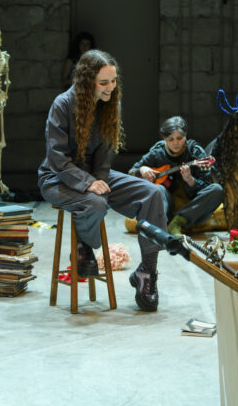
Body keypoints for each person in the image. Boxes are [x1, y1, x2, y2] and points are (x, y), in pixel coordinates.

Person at [38, 49, 168, 312]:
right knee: (95, 203)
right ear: (87, 82)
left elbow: (105, 156)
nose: (111, 87)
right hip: (58, 177)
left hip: (97, 175)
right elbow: (57, 157)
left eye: (114, 80)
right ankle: (84, 246)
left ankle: (147, 272)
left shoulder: (110, 104)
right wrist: (88, 183)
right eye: (104, 82)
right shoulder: (62, 105)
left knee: (153, 193)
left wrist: (97, 181)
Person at [130, 116, 224, 237]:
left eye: (179, 138)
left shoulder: (195, 152)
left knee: (217, 189)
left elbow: (206, 187)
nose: (176, 143)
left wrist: (190, 180)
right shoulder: (157, 152)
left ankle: (177, 223)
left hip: (192, 209)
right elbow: (131, 172)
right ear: (164, 138)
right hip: (166, 207)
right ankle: (160, 224)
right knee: (158, 189)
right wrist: (142, 169)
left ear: (185, 135)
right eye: (171, 139)